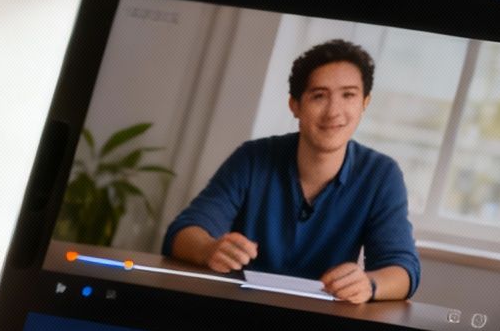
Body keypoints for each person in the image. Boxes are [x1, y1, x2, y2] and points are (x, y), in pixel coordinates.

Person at [164, 39, 418, 304]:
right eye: (319, 96)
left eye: (349, 95)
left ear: (365, 102)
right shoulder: (252, 158)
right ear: (295, 105)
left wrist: (370, 284)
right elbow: (182, 233)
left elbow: (403, 270)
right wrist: (208, 249)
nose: (333, 112)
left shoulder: (381, 174)